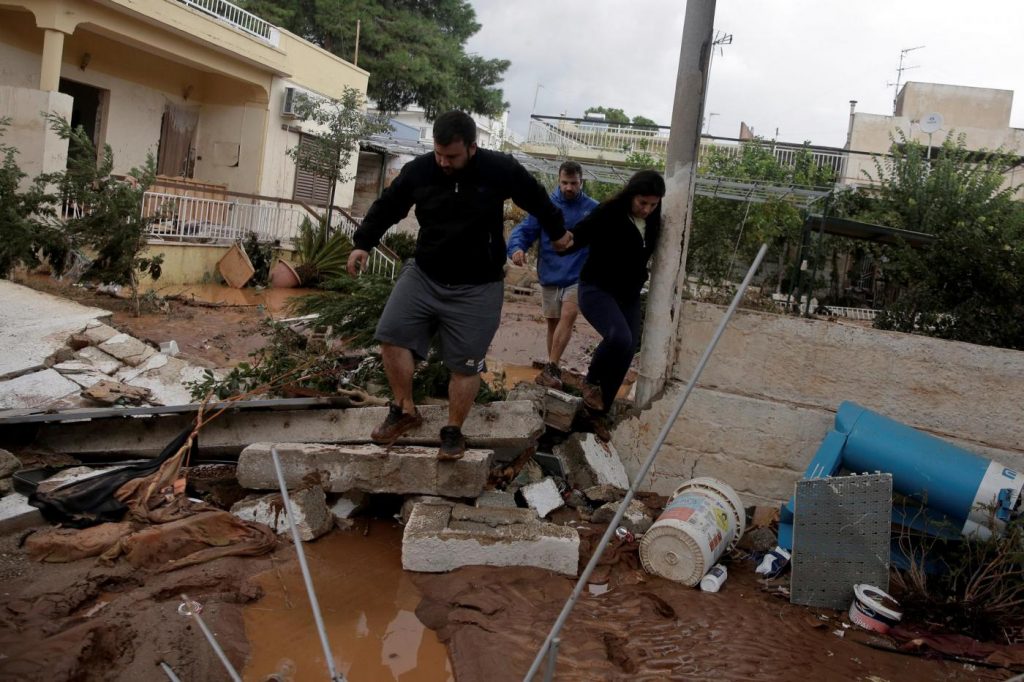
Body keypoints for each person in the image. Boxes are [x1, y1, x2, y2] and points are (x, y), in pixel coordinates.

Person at [347, 110, 572, 460]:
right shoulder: (421, 170)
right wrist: (363, 243)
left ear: (472, 147)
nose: (443, 162)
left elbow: (538, 199)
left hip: (478, 285)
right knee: (391, 337)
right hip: (424, 273)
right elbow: (389, 206)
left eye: (451, 156)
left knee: (465, 365)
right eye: (438, 153)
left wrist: (557, 233)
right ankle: (405, 409)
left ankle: (453, 431)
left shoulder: (500, 169)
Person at [563, 169, 666, 440]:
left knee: (629, 347)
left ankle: (597, 413)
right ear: (632, 195)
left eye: (653, 204)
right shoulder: (609, 213)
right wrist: (561, 239)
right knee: (619, 337)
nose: (647, 209)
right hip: (597, 289)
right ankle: (591, 382)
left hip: (628, 295)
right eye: (642, 203)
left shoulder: (655, 221)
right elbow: (578, 235)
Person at [507, 161, 598, 390]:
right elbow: (525, 231)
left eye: (574, 183)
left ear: (581, 182)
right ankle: (552, 371)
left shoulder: (592, 209)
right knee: (553, 323)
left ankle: (553, 365)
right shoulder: (545, 207)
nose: (569, 188)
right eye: (565, 183)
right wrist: (517, 248)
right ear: (559, 181)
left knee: (569, 314)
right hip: (550, 273)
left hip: (579, 274)